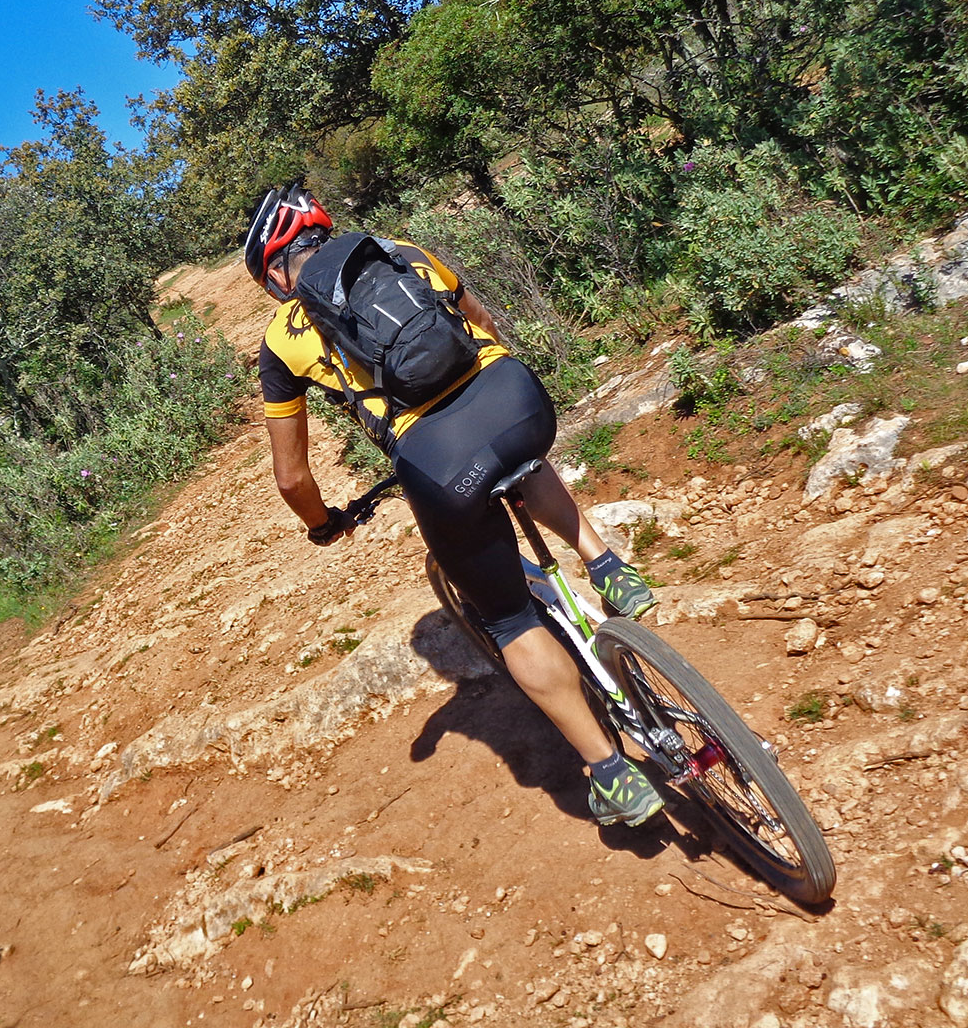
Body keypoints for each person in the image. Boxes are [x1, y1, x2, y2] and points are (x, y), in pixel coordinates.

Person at [243, 182, 663, 825]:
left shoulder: (281, 339)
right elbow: (483, 322)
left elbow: (292, 478)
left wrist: (323, 524)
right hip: (517, 399)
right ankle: (606, 563)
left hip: (438, 458)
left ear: (277, 268)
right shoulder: (397, 251)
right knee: (520, 459)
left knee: (509, 622)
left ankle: (611, 773)